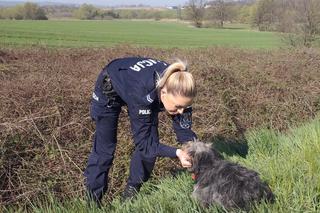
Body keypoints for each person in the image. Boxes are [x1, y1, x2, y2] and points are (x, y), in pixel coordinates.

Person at [84, 57, 197, 205]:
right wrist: (178, 153)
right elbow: (146, 144)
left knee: (151, 144)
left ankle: (132, 191)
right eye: (177, 107)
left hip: (140, 86)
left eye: (185, 107)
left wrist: (192, 151)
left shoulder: (180, 86)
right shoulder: (143, 93)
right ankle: (93, 202)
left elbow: (184, 129)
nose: (181, 111)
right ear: (163, 94)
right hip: (110, 89)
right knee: (104, 151)